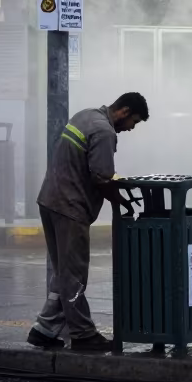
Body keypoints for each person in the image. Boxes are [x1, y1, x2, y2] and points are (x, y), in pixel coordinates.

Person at [28, 92, 149, 351]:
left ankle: (45, 329)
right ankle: (83, 334)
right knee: (74, 275)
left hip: (50, 200)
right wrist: (125, 203)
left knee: (63, 273)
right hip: (70, 207)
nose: (131, 129)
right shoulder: (105, 132)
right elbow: (102, 177)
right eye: (134, 122)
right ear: (124, 111)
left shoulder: (85, 116)